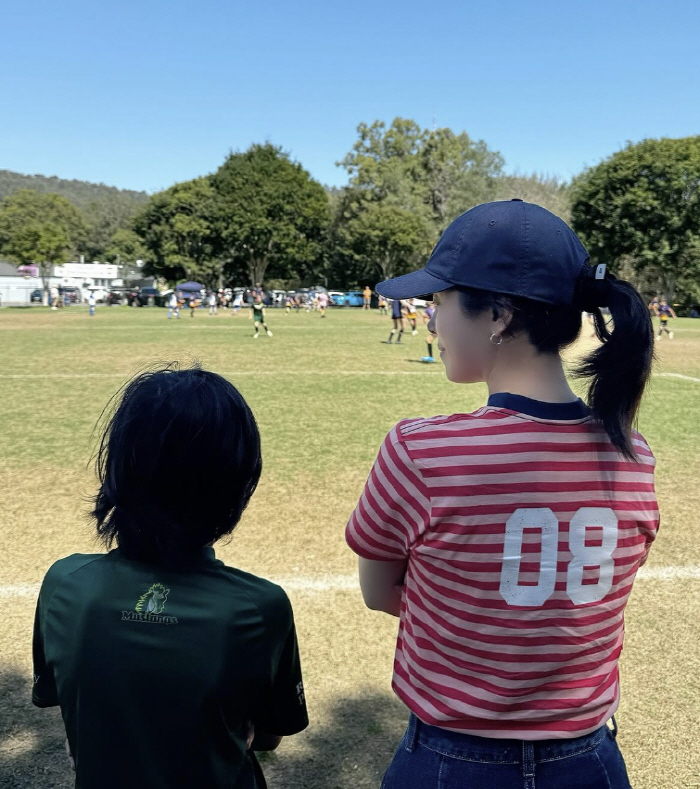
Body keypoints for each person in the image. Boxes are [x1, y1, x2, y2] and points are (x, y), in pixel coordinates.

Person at [346, 200, 657, 789]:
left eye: (438, 302)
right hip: (590, 763)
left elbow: (379, 591)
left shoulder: (419, 451)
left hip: (448, 764)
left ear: (496, 313)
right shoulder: (634, 456)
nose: (433, 322)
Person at [32, 366, 308, 789]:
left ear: (119, 468)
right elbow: (269, 734)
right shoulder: (259, 606)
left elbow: (64, 701)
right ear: (237, 482)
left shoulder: (66, 583)